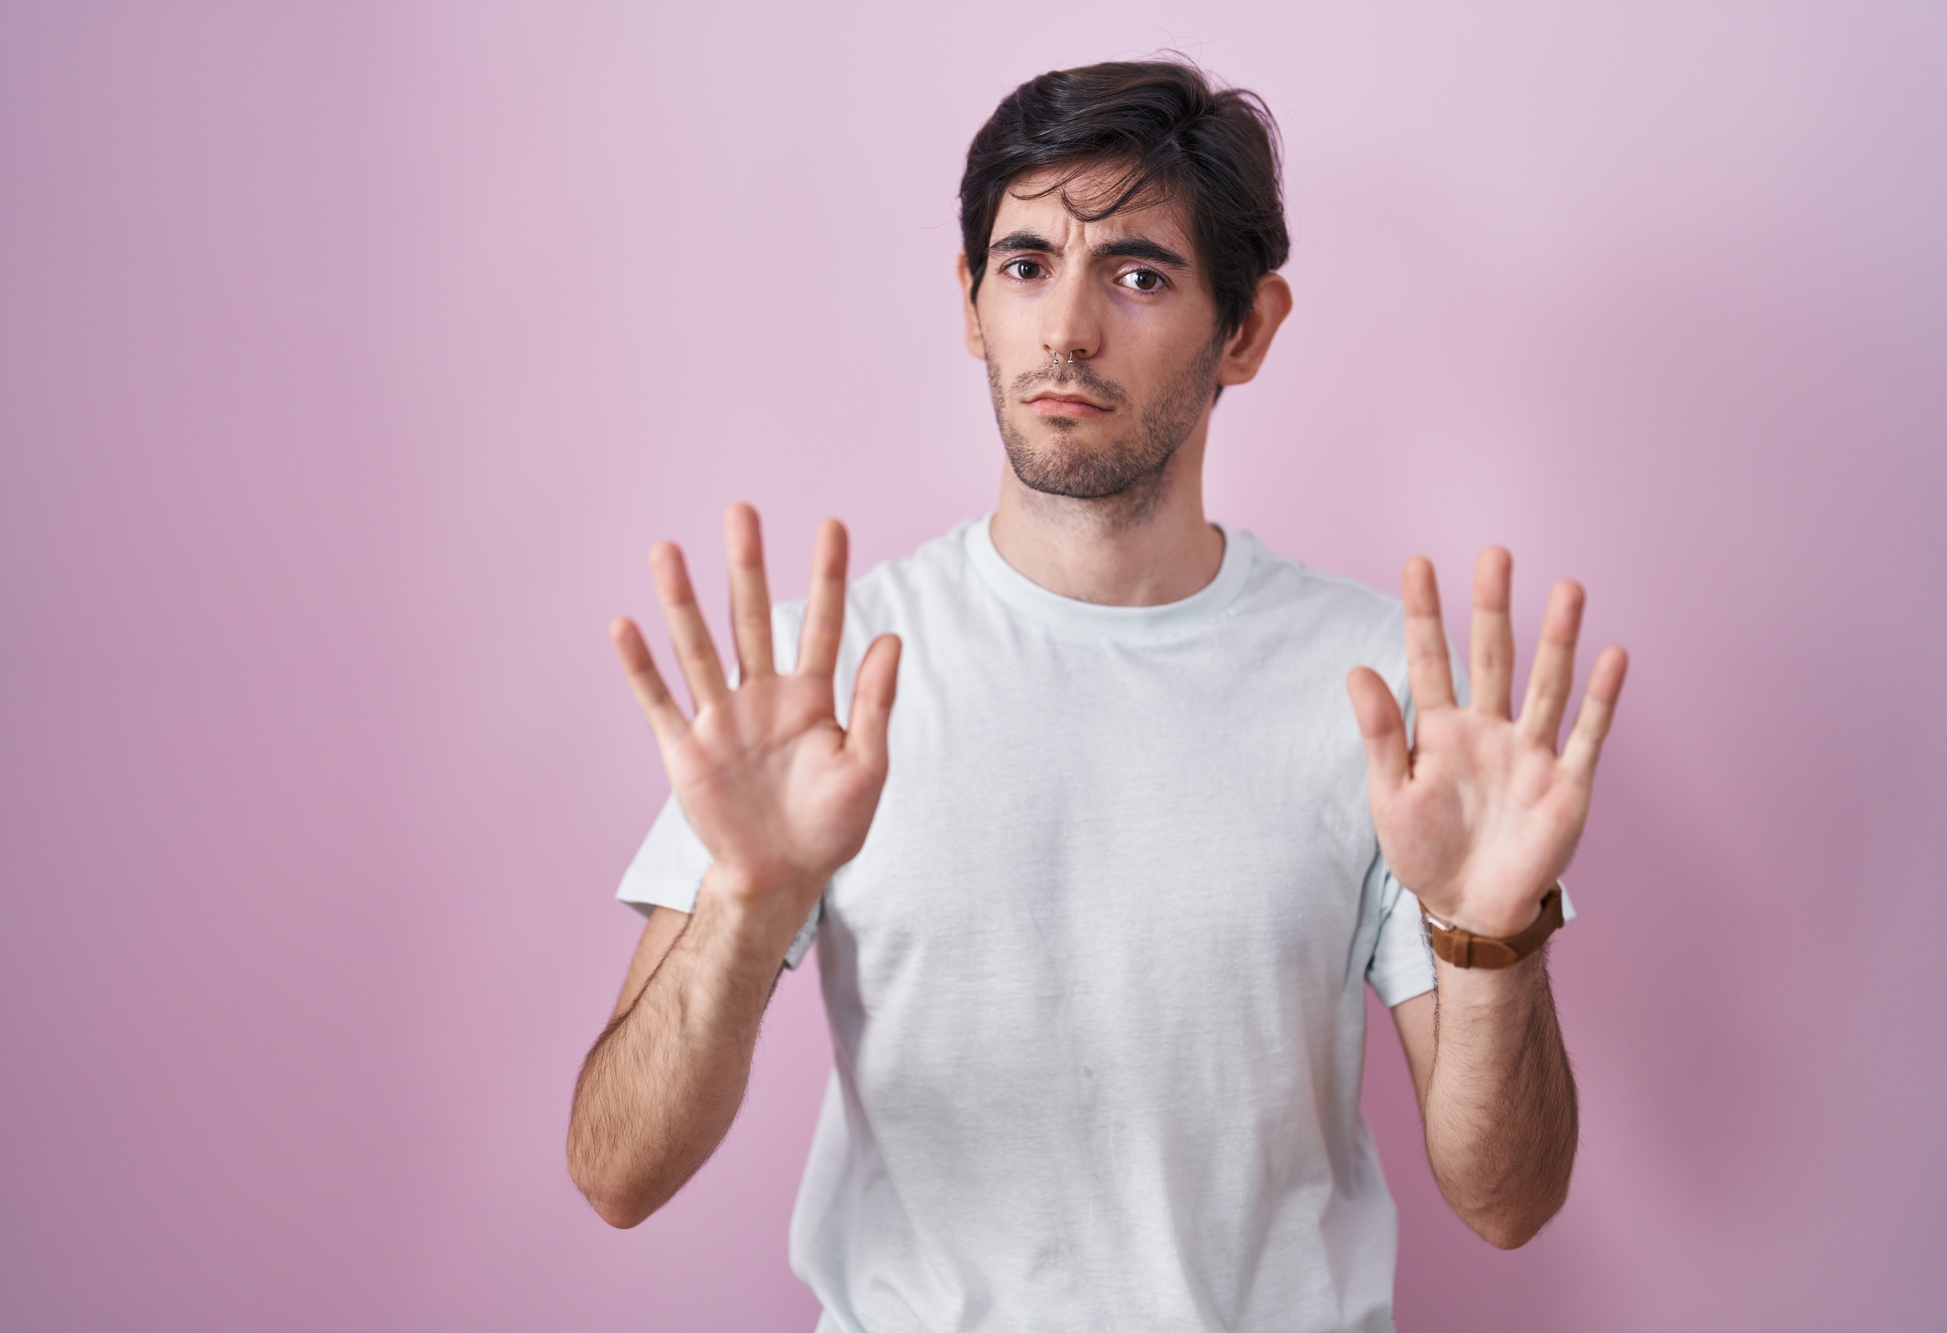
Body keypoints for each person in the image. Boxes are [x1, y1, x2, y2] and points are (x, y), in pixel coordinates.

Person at [567, 58, 1628, 1333]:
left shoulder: (1386, 697)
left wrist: (1489, 934)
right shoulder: (820, 685)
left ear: (1245, 329)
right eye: (1023, 266)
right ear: (970, 303)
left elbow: (1506, 1201)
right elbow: (616, 1176)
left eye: (1135, 274)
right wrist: (742, 905)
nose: (1065, 327)